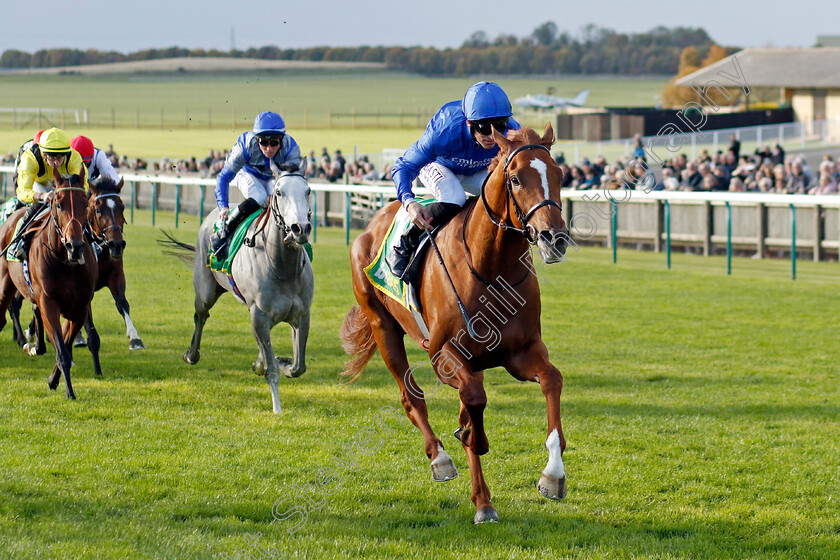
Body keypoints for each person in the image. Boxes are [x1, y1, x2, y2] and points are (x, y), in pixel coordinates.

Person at [386, 81, 520, 277]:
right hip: (440, 166)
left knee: (505, 193)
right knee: (455, 197)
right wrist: (409, 202)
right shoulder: (444, 131)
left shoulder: (513, 130)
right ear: (469, 123)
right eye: (484, 128)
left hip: (477, 170)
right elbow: (403, 166)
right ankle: (405, 243)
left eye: (500, 127)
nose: (492, 136)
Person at [210, 111, 302, 259]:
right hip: (247, 174)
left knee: (281, 197)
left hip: (273, 178)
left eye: (274, 143)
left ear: (282, 140)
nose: (269, 148)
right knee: (259, 197)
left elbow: (293, 184)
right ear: (256, 139)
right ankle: (223, 233)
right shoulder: (245, 146)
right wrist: (223, 206)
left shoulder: (291, 148)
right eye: (264, 142)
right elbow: (223, 177)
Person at [7, 127, 89, 260]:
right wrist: (42, 196)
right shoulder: (31, 158)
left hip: (63, 186)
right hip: (38, 185)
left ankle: (93, 241)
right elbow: (22, 191)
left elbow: (83, 186)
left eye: (60, 158)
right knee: (38, 205)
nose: (56, 163)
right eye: (52, 158)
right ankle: (18, 242)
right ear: (44, 155)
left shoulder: (73, 157)